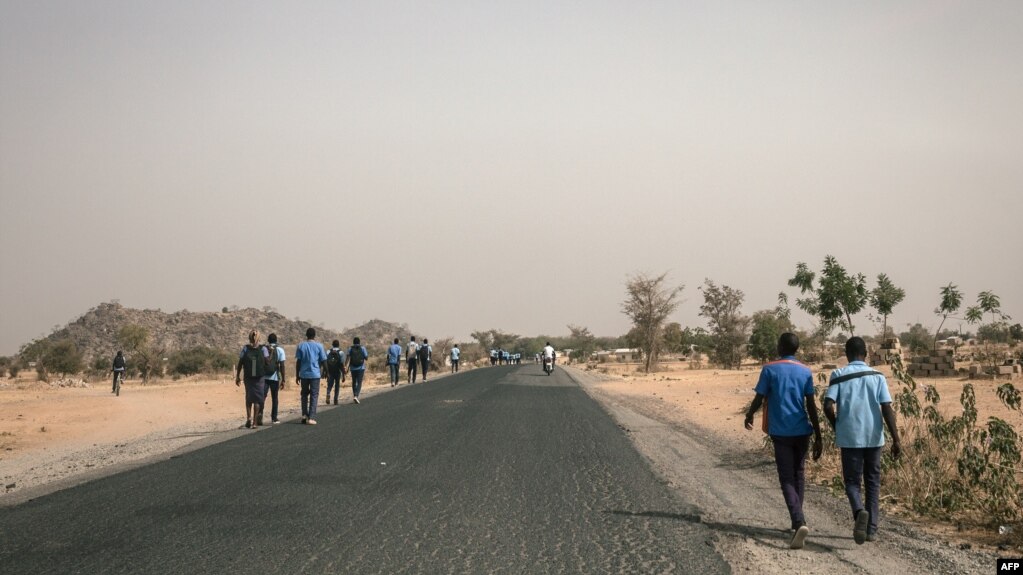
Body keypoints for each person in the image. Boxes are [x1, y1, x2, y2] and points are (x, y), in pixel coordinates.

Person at [743, 333, 822, 550]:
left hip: (781, 433)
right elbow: (811, 406)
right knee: (799, 473)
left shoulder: (769, 369)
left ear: (780, 346)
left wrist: (749, 414)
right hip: (802, 431)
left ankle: (798, 521)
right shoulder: (805, 371)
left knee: (786, 477)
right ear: (797, 349)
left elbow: (760, 397)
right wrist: (819, 435)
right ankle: (797, 519)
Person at [824, 336, 901, 545]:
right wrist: (896, 439)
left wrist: (837, 425)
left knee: (851, 482)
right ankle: (871, 530)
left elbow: (827, 406)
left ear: (846, 354)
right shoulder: (878, 376)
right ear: (865, 354)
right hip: (874, 437)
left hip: (849, 437)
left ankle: (859, 512)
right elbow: (886, 407)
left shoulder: (838, 375)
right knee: (873, 482)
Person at [235, 330, 270, 428]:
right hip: (259, 377)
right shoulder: (263, 349)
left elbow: (240, 362)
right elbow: (267, 362)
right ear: (259, 338)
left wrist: (238, 376)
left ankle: (248, 418)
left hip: (248, 377)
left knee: (249, 397)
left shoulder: (245, 348)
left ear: (249, 337)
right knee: (257, 400)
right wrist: (270, 355)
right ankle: (255, 422)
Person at [294, 327, 328, 425]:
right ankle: (311, 417)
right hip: (315, 374)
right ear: (314, 335)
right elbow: (324, 360)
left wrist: (297, 375)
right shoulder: (319, 346)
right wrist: (326, 372)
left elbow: (298, 362)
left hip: (304, 374)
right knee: (314, 395)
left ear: (306, 335)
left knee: (304, 394)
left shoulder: (301, 346)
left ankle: (304, 414)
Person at [262, 333, 287, 424]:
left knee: (262, 397)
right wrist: (283, 379)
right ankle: (274, 418)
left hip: (264, 377)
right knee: (275, 398)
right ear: (276, 340)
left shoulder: (264, 349)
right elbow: (282, 366)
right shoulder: (280, 350)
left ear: (268, 340)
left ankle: (259, 416)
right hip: (275, 377)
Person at [346, 337, 368, 404]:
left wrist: (345, 366)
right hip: (361, 368)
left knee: (354, 381)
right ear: (359, 342)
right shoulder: (363, 348)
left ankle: (354, 394)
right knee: (359, 382)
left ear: (353, 342)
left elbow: (347, 358)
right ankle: (356, 396)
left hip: (352, 368)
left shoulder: (350, 348)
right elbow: (366, 357)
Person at [325, 340, 346, 406]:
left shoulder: (328, 352)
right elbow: (342, 364)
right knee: (337, 385)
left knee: (330, 384)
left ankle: (328, 393)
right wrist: (343, 375)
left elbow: (325, 362)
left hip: (330, 371)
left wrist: (326, 372)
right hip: (337, 371)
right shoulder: (341, 352)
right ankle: (335, 400)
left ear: (332, 344)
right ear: (338, 345)